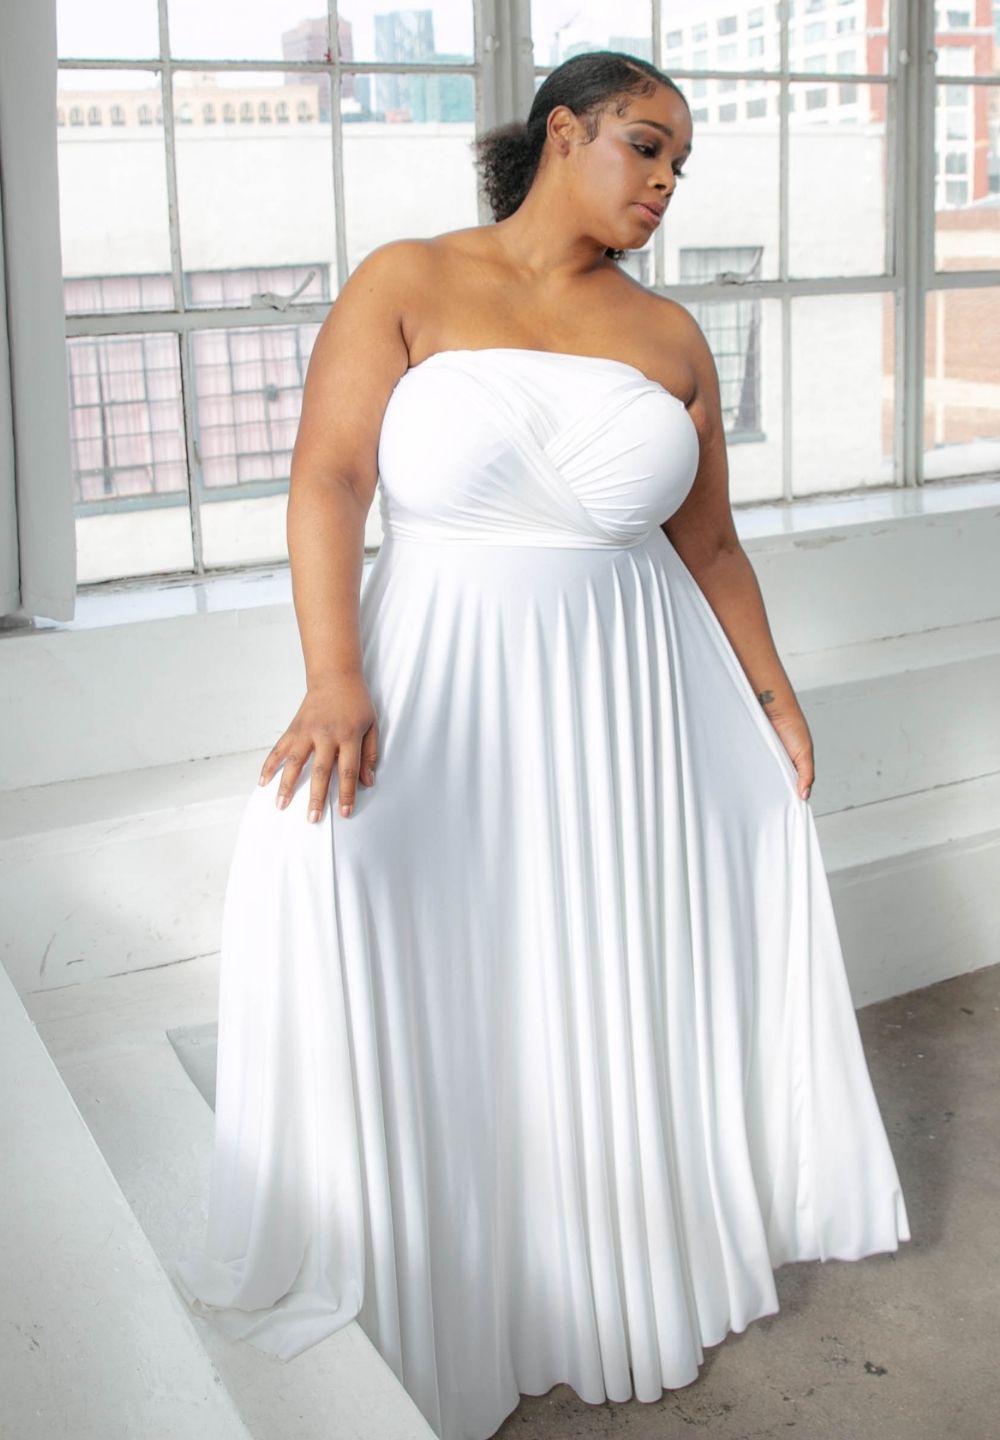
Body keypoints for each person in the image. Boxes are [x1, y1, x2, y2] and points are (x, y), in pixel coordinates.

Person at [173, 49, 910, 1440]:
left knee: (605, 949)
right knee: (358, 890)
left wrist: (772, 695)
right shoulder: (407, 279)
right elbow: (329, 477)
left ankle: (602, 1265)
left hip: (630, 697)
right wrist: (333, 677)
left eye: (682, 163)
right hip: (436, 674)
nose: (667, 182)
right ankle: (446, 1269)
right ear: (563, 133)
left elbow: (711, 545)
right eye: (647, 146)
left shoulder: (671, 336)